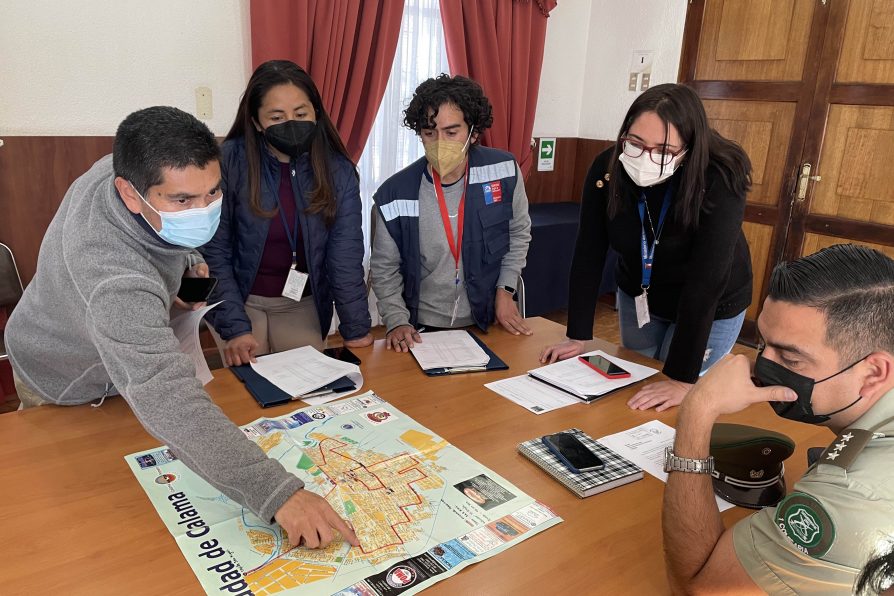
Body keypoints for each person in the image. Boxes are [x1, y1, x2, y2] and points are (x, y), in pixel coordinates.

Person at [4, 106, 358, 550]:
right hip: (66, 375)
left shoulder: (130, 169)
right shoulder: (113, 277)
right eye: (183, 202)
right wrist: (278, 494)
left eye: (212, 193)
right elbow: (162, 392)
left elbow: (170, 237)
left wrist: (188, 265)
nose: (204, 210)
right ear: (130, 194)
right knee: (84, 511)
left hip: (114, 351)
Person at [661, 244, 894, 594]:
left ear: (874, 372)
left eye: (790, 358)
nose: (762, 366)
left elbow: (700, 587)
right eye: (762, 344)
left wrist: (697, 410)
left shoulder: (851, 495)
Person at [540, 83, 753, 411]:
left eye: (664, 151)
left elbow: (706, 280)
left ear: (689, 148)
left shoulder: (720, 175)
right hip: (641, 291)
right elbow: (588, 251)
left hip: (710, 301)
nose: (645, 158)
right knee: (634, 383)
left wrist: (682, 379)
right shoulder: (607, 169)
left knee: (679, 397)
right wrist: (577, 335)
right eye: (636, 143)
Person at [201, 60, 371, 366]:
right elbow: (214, 251)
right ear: (255, 122)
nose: (291, 123)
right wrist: (235, 327)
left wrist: (356, 328)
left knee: (305, 395)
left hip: (301, 303)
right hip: (240, 299)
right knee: (249, 395)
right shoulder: (227, 162)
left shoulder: (338, 171)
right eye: (277, 117)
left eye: (301, 114)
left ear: (316, 113)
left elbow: (344, 256)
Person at [370, 74, 532, 352]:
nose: (439, 142)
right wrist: (397, 321)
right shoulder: (395, 192)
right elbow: (384, 268)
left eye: (451, 132)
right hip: (422, 326)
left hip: (489, 317)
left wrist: (506, 290)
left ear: (473, 131)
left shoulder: (504, 169)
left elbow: (518, 233)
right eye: (429, 132)